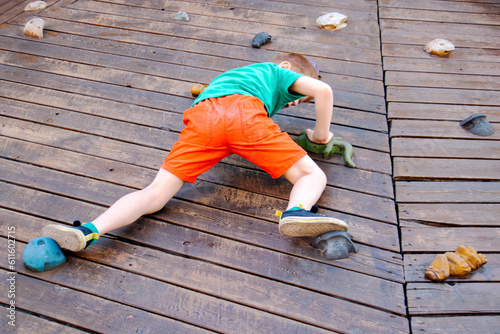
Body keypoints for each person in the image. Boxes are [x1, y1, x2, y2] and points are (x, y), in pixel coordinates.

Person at [42, 52, 348, 252]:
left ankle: (91, 230)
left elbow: (217, 108)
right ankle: (296, 212)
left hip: (203, 117)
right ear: (286, 68)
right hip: (245, 115)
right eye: (295, 96)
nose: (293, 101)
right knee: (311, 174)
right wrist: (319, 137)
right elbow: (324, 91)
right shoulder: (276, 72)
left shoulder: (228, 78)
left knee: (155, 194)